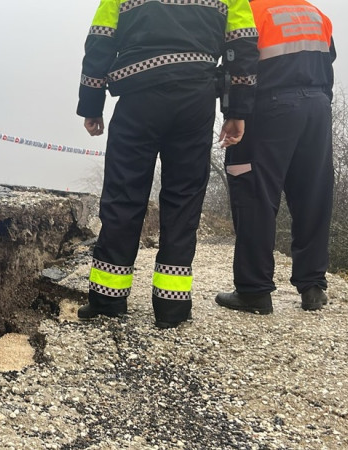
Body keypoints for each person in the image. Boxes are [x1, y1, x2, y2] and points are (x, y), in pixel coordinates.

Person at [77, 0, 260, 328]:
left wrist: (92, 105)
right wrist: (237, 111)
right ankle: (172, 309)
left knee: (123, 195)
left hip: (138, 98)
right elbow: (243, 49)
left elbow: (99, 43)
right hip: (196, 100)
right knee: (184, 200)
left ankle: (107, 301)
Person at [216, 0, 336, 314]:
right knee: (313, 196)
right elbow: (328, 60)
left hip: (268, 108)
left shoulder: (249, 11)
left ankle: (254, 291)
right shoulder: (314, 12)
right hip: (318, 107)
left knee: (254, 192)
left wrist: (233, 112)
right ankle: (312, 287)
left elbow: (238, 64)